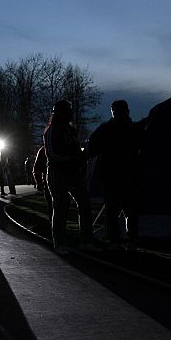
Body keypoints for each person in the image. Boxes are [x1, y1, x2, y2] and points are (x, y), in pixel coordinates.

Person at [43, 99, 98, 255]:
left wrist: (81, 157)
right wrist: (73, 159)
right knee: (60, 208)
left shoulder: (71, 130)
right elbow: (52, 154)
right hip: (57, 173)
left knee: (84, 204)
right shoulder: (51, 130)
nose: (70, 114)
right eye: (67, 111)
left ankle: (86, 241)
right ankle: (59, 243)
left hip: (73, 172)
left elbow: (75, 149)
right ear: (59, 113)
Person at [88, 99, 141, 250]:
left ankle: (114, 241)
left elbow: (92, 148)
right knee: (130, 210)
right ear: (127, 111)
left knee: (112, 210)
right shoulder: (133, 128)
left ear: (113, 112)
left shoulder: (105, 129)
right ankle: (132, 240)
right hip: (129, 175)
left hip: (110, 175)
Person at [32, 144, 52, 220]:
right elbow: (36, 169)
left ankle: (54, 226)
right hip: (52, 181)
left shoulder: (44, 150)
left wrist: (39, 183)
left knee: (52, 206)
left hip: (48, 181)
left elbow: (36, 168)